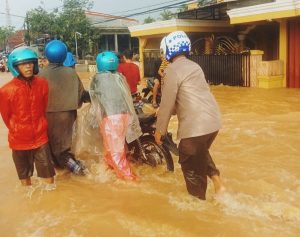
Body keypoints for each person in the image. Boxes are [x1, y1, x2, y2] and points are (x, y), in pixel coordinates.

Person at [154, 31, 224, 200]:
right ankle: (217, 182)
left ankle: (198, 207)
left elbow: (167, 101)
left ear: (168, 50)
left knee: (190, 165)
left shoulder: (171, 70)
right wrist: (166, 111)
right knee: (199, 151)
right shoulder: (195, 66)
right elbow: (187, 98)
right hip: (213, 122)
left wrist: (159, 130)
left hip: (195, 126)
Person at [0, 47, 56, 189]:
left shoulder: (43, 84)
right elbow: (6, 117)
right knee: (25, 180)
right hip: (18, 140)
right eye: (24, 64)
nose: (28, 66)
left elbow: (43, 107)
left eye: (31, 63)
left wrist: (40, 124)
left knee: (49, 177)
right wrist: (17, 129)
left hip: (40, 137)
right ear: (15, 67)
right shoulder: (6, 91)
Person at [39, 40, 90, 175]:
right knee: (64, 148)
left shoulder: (40, 75)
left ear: (47, 56)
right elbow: (81, 95)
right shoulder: (71, 73)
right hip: (69, 116)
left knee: (54, 150)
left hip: (47, 116)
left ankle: (80, 172)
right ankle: (73, 170)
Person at [90, 51, 141, 180]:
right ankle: (109, 168)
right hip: (125, 116)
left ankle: (130, 180)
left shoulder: (97, 78)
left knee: (116, 152)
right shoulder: (119, 77)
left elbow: (94, 98)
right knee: (113, 147)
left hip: (111, 118)